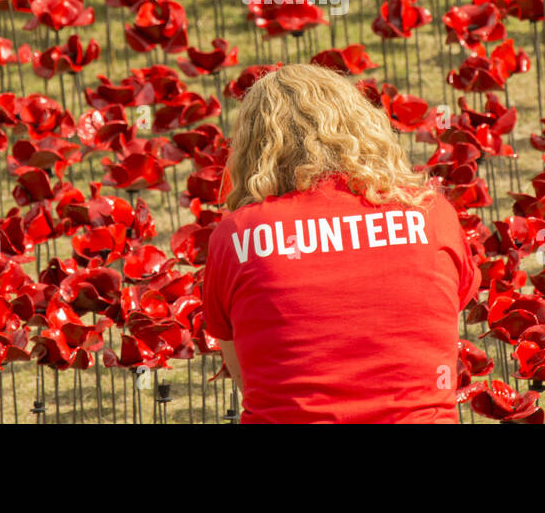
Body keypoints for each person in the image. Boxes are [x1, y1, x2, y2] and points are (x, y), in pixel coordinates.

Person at [203, 63, 479, 423]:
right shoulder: (431, 215)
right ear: (361, 123)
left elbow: (247, 378)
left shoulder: (238, 236)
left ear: (254, 147)